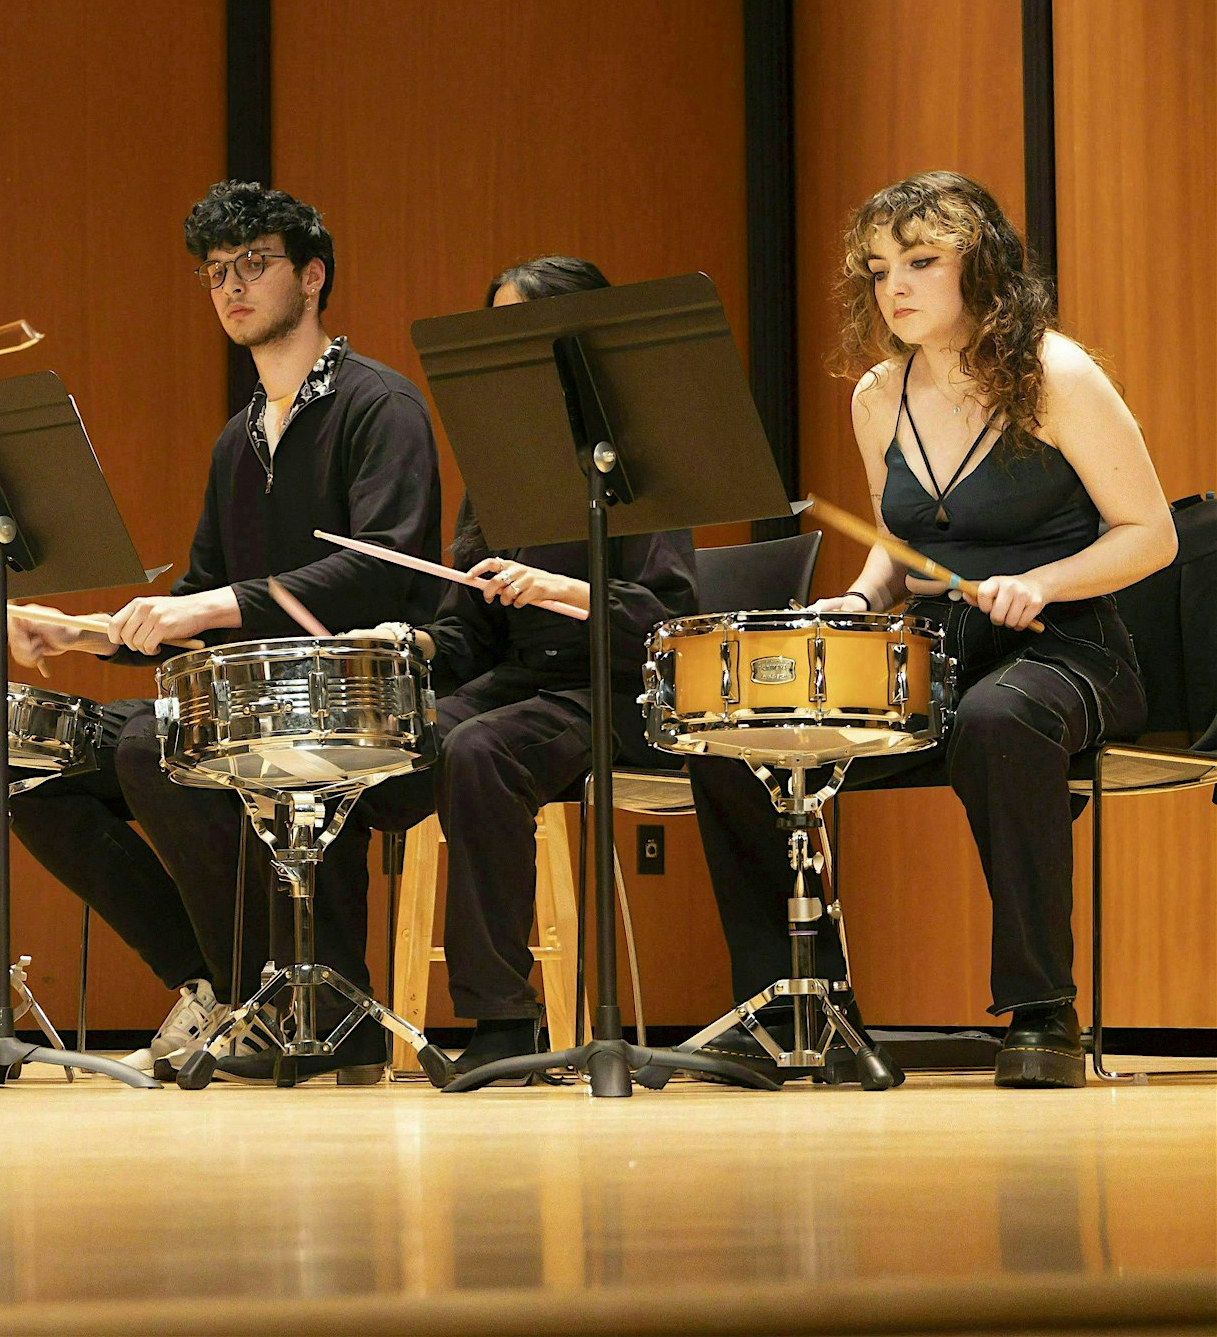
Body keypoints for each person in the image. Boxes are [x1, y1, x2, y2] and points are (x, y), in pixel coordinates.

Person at [690, 171, 1175, 1088]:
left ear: (981, 267)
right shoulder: (880, 394)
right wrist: (864, 602)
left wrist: (1038, 582)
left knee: (1000, 722)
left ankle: (1043, 1013)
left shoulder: (1058, 375)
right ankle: (798, 1001)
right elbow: (900, 541)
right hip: (945, 645)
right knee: (737, 738)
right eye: (877, 270)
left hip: (1071, 643)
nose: (895, 287)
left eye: (921, 261)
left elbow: (1152, 535)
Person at [7, 180, 444, 1081]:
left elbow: (386, 565)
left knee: (149, 747)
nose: (232, 287)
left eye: (255, 265)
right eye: (216, 274)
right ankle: (217, 986)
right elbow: (204, 592)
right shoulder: (236, 438)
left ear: (313, 277)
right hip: (257, 704)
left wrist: (206, 608)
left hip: (362, 704)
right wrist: (89, 633)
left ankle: (301, 1012)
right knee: (27, 767)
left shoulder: (380, 405)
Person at [363, 258, 697, 1083]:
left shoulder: (640, 453)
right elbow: (472, 631)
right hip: (525, 682)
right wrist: (424, 647)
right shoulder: (501, 461)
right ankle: (328, 1010)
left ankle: (504, 1022)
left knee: (482, 752)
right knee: (380, 741)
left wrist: (564, 589)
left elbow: (665, 621)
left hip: (618, 688)